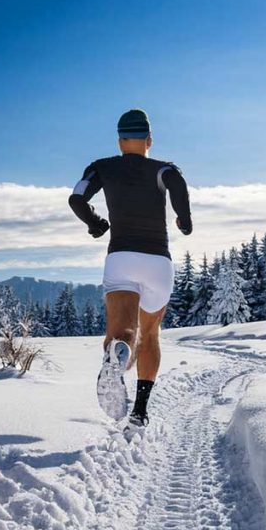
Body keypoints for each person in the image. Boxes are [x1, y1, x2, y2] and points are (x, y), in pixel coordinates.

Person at [68, 108, 192, 427]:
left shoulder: (101, 168)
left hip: (121, 257)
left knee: (123, 330)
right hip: (157, 262)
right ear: (149, 139)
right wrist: (184, 219)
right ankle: (139, 410)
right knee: (150, 333)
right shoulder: (162, 169)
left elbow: (77, 198)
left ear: (120, 140)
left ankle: (119, 352)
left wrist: (96, 223)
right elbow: (177, 185)